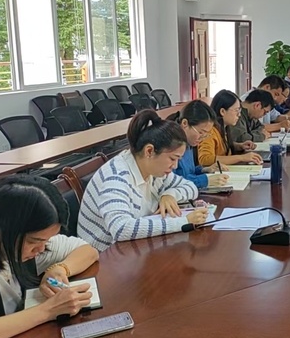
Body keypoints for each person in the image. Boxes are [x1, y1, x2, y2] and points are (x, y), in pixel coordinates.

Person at [0, 175, 99, 338]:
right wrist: (47, 311)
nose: (41, 249)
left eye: (46, 240)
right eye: (34, 241)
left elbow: (88, 251)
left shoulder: (34, 246)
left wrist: (58, 269)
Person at [78, 110, 208, 252]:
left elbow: (190, 187)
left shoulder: (154, 169)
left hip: (135, 248)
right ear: (149, 151)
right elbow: (121, 229)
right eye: (172, 158)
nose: (175, 166)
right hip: (104, 256)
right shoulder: (116, 177)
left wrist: (169, 194)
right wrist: (183, 222)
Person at [170, 100, 229, 190]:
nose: (202, 138)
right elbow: (173, 181)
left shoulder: (189, 142)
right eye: (201, 132)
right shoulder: (170, 145)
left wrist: (204, 169)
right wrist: (205, 180)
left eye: (206, 134)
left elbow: (188, 172)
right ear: (185, 123)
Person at [197, 90, 263, 167]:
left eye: (239, 110)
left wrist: (239, 146)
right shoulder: (210, 131)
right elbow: (205, 159)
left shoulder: (223, 128)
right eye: (236, 110)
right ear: (222, 111)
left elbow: (221, 147)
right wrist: (241, 158)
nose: (239, 115)